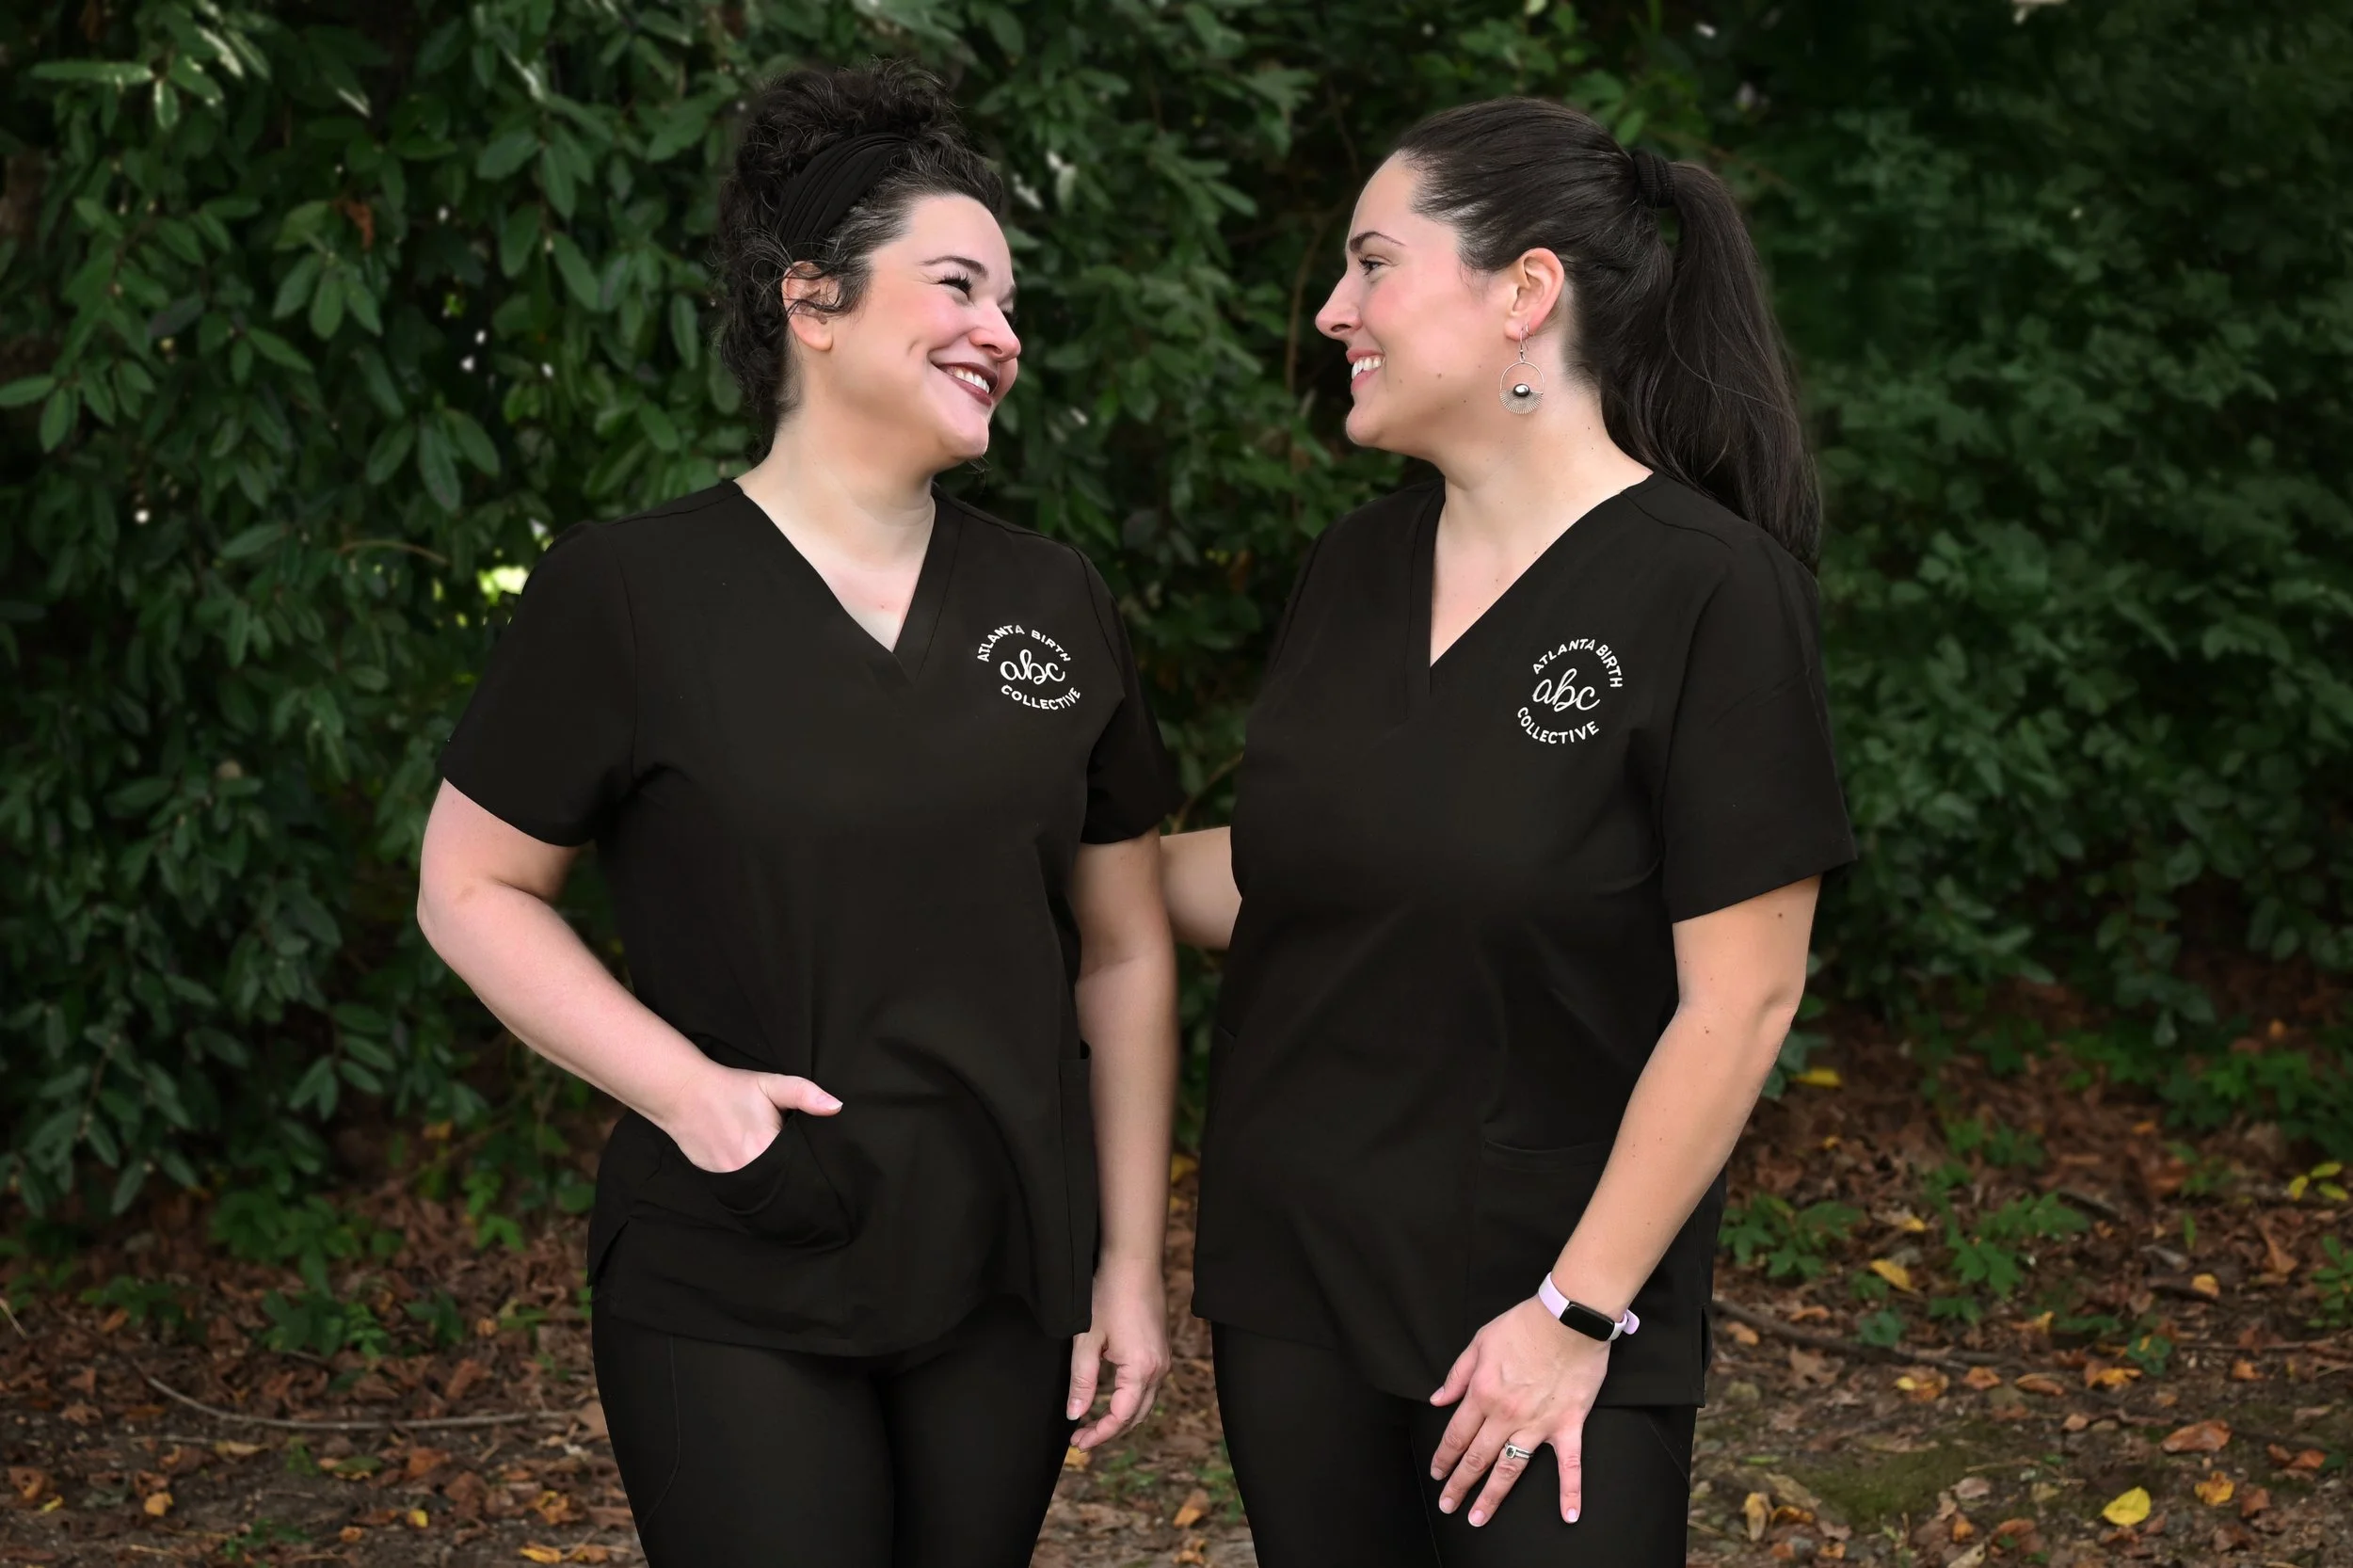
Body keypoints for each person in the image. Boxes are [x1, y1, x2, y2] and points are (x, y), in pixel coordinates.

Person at [415, 62, 1182, 1568]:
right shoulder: (631, 592)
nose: (1004, 333)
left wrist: (1129, 1262)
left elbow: (1124, 946)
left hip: (1005, 1273)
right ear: (812, 301)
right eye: (959, 286)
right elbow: (471, 885)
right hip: (736, 1259)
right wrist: (695, 1099)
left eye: (1012, 303)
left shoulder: (1055, 599)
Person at [1160, 97, 1858, 1566]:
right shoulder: (1354, 567)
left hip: (1541, 1307)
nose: (1335, 309)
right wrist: (1026, 851)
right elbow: (1302, 869)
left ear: (1525, 291)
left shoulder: (1712, 591)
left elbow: (1742, 999)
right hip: (1294, 1284)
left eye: (1373, 264)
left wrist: (1573, 1313)